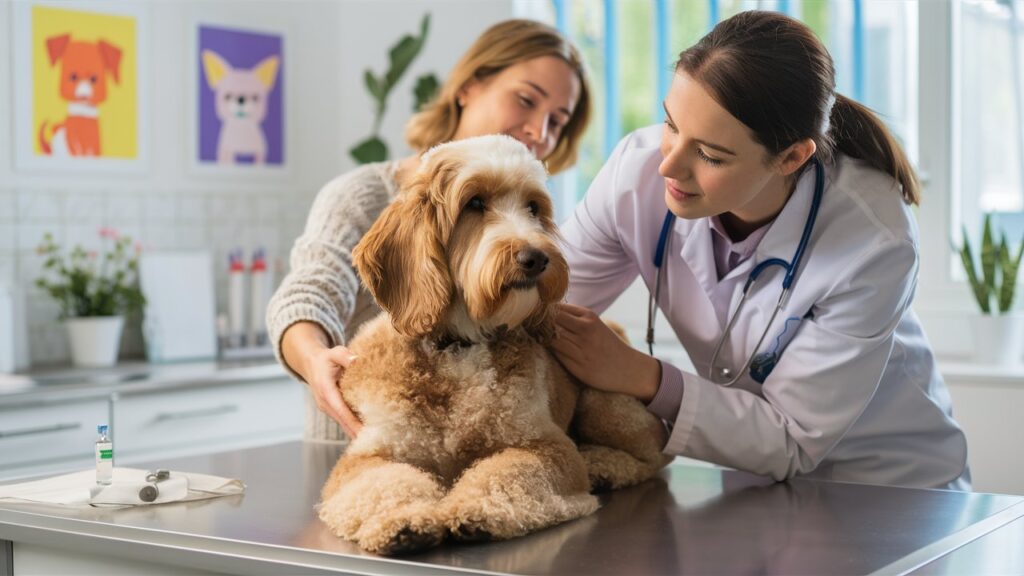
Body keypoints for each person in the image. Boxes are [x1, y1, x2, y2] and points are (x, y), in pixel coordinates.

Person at [550, 11, 970, 490]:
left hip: (888, 484)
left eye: (710, 154)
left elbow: (792, 438)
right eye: (670, 124)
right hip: (759, 479)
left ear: (792, 156)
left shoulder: (872, 241)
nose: (668, 164)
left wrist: (642, 377)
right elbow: (539, 305)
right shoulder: (636, 174)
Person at [267, 19, 591, 442]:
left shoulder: (528, 229)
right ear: (468, 87)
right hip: (360, 447)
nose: (538, 131)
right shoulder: (361, 197)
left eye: (557, 122)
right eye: (526, 100)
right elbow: (311, 290)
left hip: (477, 450)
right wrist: (313, 357)